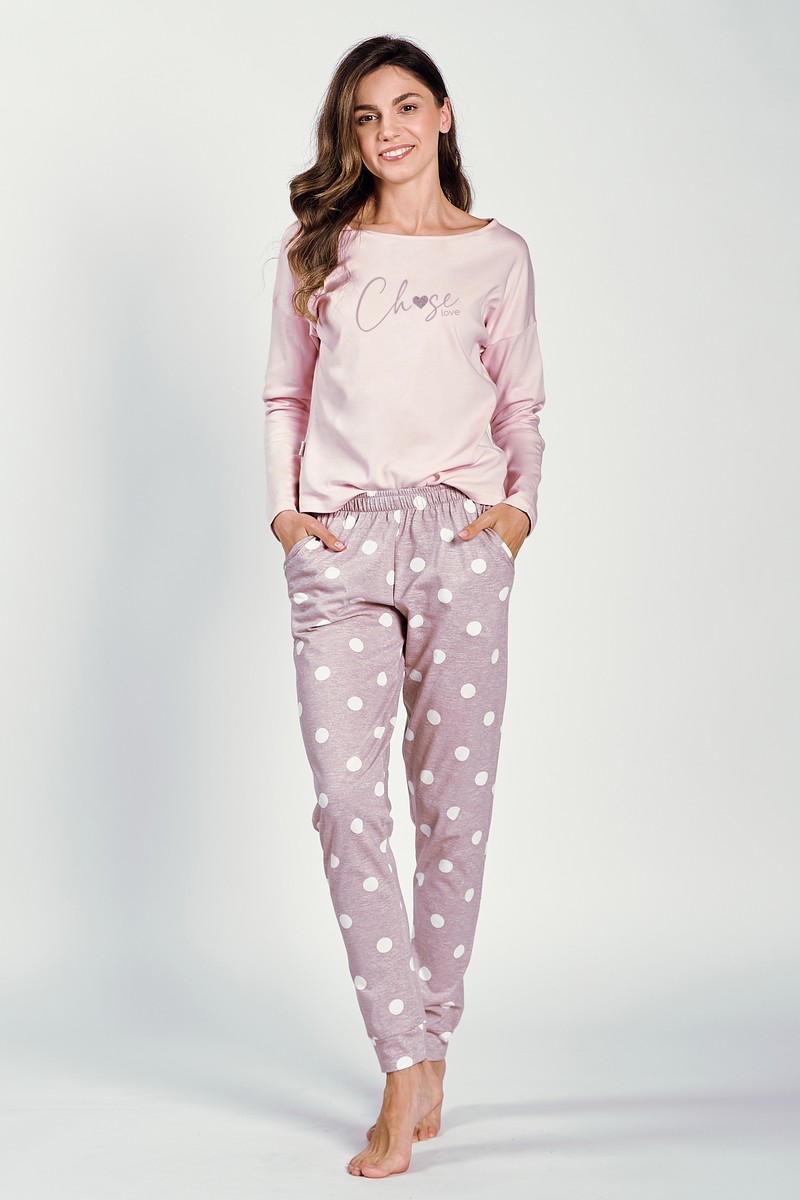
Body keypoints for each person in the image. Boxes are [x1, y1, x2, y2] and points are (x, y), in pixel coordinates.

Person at [261, 33, 546, 1178]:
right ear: (349, 134)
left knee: (451, 811)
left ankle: (435, 1040)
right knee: (347, 805)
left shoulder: (497, 256)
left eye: (406, 106)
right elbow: (284, 394)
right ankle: (400, 1058)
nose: (387, 130)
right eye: (365, 115)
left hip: (459, 540)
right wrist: (286, 516)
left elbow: (520, 405)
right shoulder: (316, 250)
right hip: (341, 543)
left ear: (442, 115)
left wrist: (516, 515)